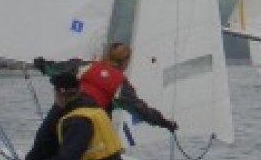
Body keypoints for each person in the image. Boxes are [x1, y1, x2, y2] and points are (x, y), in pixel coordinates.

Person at [10, 72, 126, 160]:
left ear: (59, 92)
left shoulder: (78, 121)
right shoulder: (92, 108)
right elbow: (44, 143)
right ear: (80, 89)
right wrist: (57, 108)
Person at [33, 43, 177, 133]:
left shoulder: (84, 66)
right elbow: (141, 110)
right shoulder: (120, 85)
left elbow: (56, 69)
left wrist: (42, 65)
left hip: (65, 119)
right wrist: (165, 123)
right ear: (125, 62)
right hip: (89, 128)